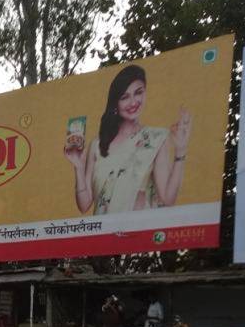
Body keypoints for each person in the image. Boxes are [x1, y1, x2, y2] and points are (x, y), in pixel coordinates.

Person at [64, 64, 192, 215]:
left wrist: (180, 151)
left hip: (139, 233)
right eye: (124, 97)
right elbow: (84, 204)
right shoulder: (97, 145)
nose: (133, 102)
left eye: (138, 93)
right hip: (103, 234)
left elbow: (168, 198)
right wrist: (78, 167)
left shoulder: (155, 138)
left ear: (145, 93)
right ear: (115, 103)